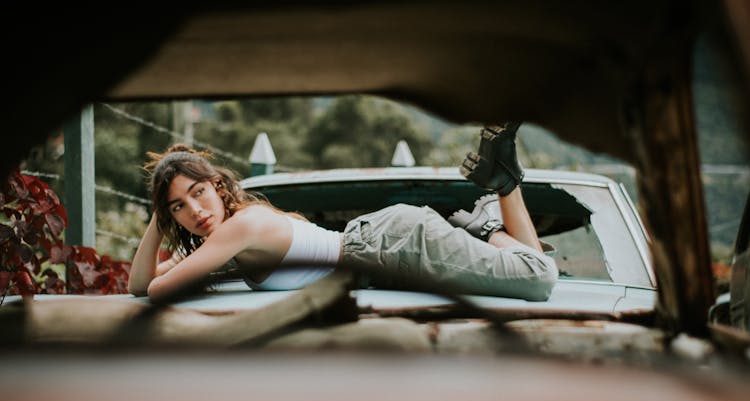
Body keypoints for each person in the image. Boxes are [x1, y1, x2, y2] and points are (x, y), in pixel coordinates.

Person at [127, 122, 558, 303]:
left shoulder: (242, 227)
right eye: (178, 207)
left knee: (537, 279)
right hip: (384, 254)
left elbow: (157, 293)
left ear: (219, 188)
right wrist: (157, 218)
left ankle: (486, 222)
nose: (195, 210)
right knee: (529, 270)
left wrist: (165, 212)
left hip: (395, 246)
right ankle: (501, 187)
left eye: (199, 192)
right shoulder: (225, 244)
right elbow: (140, 284)